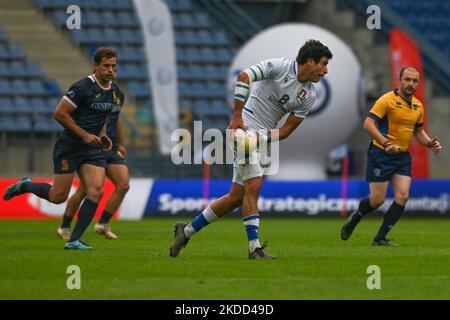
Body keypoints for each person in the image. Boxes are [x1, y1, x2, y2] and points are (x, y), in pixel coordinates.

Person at [170, 40, 333, 259]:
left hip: (259, 139)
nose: (325, 70)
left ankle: (186, 230)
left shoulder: (309, 95)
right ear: (310, 61)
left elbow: (286, 130)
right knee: (254, 185)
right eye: (323, 64)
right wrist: (237, 115)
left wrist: (261, 137)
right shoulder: (279, 67)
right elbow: (244, 76)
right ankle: (254, 248)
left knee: (236, 197)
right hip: (242, 128)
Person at [3, 47, 122, 250]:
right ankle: (24, 186)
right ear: (96, 66)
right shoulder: (83, 87)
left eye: (113, 66)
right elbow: (59, 113)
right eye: (106, 66)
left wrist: (102, 136)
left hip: (91, 148)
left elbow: (102, 117)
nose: (110, 70)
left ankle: (75, 239)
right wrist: (84, 135)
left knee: (96, 190)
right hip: (70, 146)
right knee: (58, 197)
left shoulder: (114, 92)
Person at [341, 67, 442, 246]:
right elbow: (368, 124)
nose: (411, 84)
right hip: (380, 154)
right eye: (407, 79)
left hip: (402, 156)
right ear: (400, 80)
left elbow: (417, 130)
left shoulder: (418, 106)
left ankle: (379, 238)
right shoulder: (386, 100)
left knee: (402, 196)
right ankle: (356, 217)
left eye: (415, 81)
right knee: (377, 200)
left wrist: (429, 143)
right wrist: (386, 142)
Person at [57, 98, 129, 241]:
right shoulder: (92, 93)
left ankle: (103, 223)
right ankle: (65, 226)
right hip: (95, 146)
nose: (112, 74)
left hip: (112, 147)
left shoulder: (118, 94)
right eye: (111, 72)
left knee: (123, 185)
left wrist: (121, 143)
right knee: (85, 190)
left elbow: (117, 119)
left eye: (114, 72)